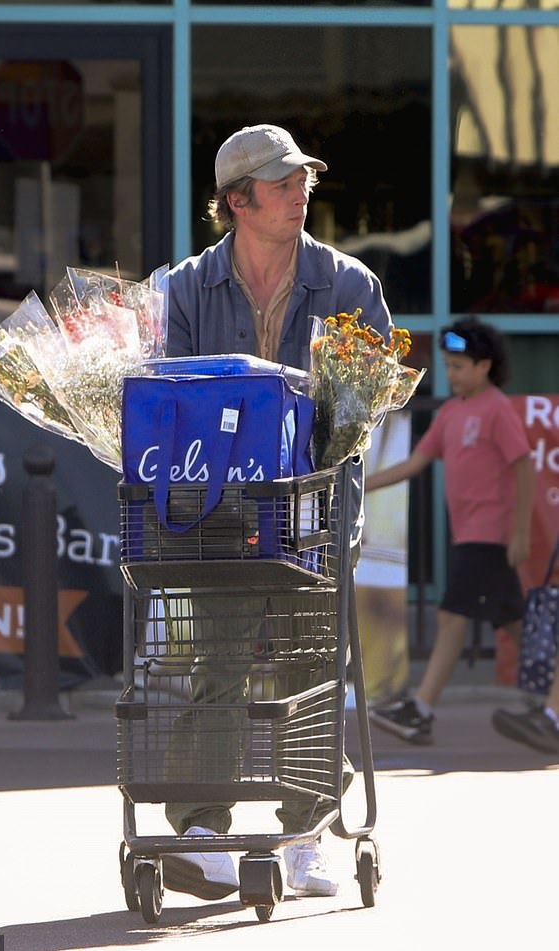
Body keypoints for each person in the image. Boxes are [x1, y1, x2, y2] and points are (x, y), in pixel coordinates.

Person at [160, 123, 394, 900]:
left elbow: (364, 410)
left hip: (316, 513)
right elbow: (172, 403)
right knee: (218, 664)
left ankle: (307, 832)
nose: (300, 192)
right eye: (282, 182)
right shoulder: (188, 287)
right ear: (237, 200)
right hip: (216, 516)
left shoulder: (350, 285)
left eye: (303, 180)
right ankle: (201, 826)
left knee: (311, 669)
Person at [366, 316, 536, 745]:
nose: (452, 374)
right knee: (516, 623)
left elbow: (525, 466)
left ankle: (420, 710)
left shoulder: (497, 407)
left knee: (450, 616)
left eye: (459, 366)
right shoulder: (449, 414)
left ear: (485, 366)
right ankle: (546, 702)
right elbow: (413, 464)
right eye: (448, 365)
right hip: (469, 535)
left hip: (489, 536)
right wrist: (360, 485)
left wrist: (519, 533)